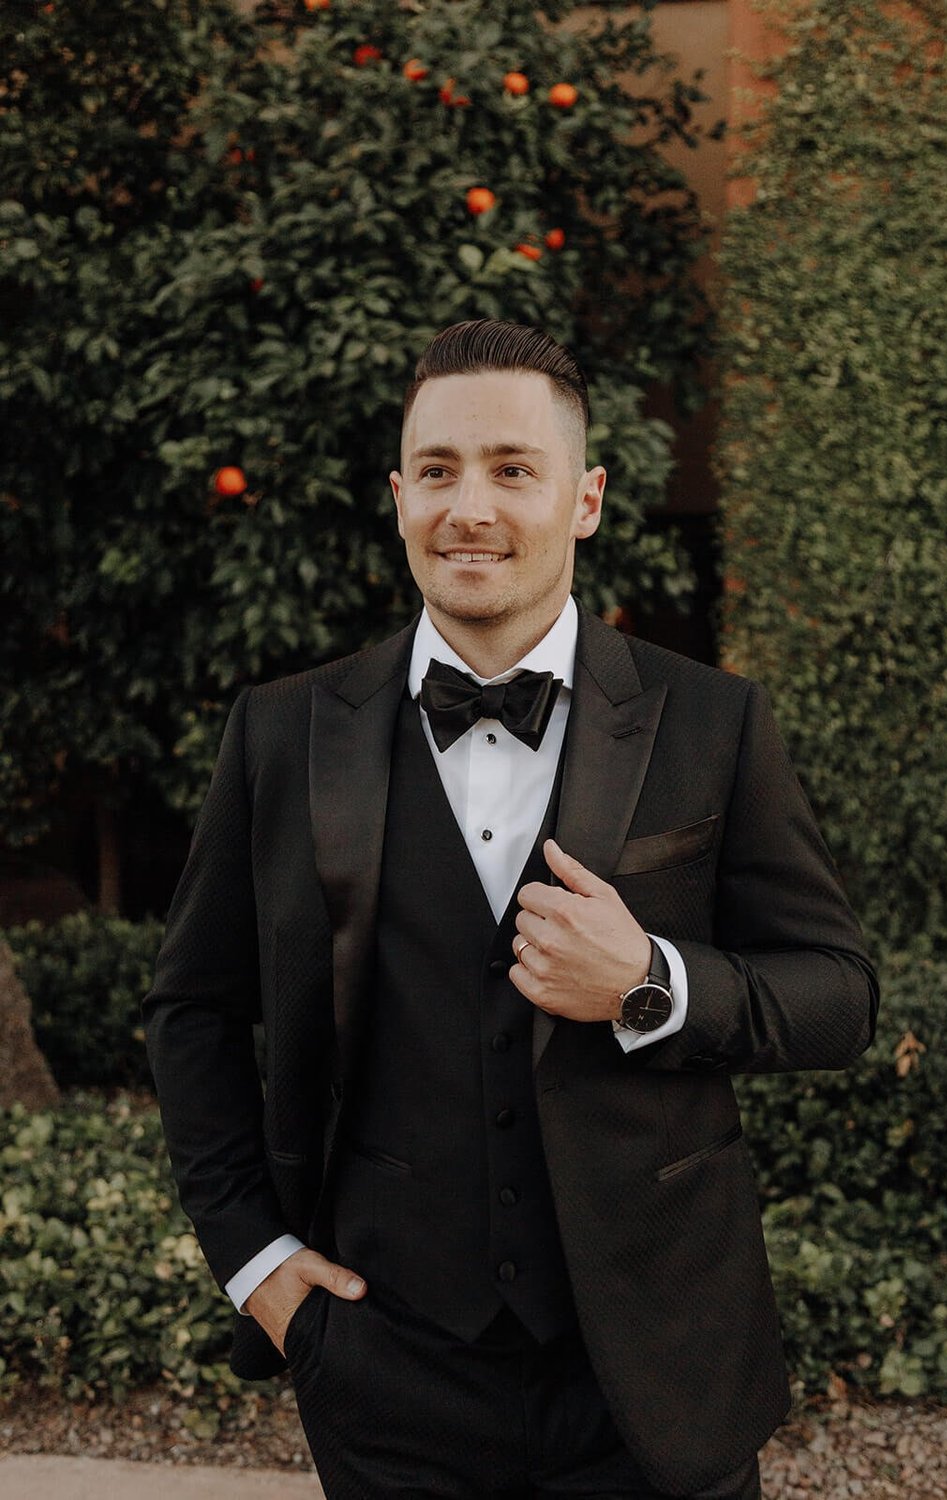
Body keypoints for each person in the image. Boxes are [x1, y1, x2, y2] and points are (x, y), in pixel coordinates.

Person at [144, 319, 878, 1500]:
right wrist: (258, 1267)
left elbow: (840, 992)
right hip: (386, 1368)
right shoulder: (284, 732)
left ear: (584, 499)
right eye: (436, 471)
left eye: (510, 469)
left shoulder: (713, 723)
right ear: (396, 496)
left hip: (654, 1378)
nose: (467, 507)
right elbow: (192, 1011)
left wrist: (652, 979)